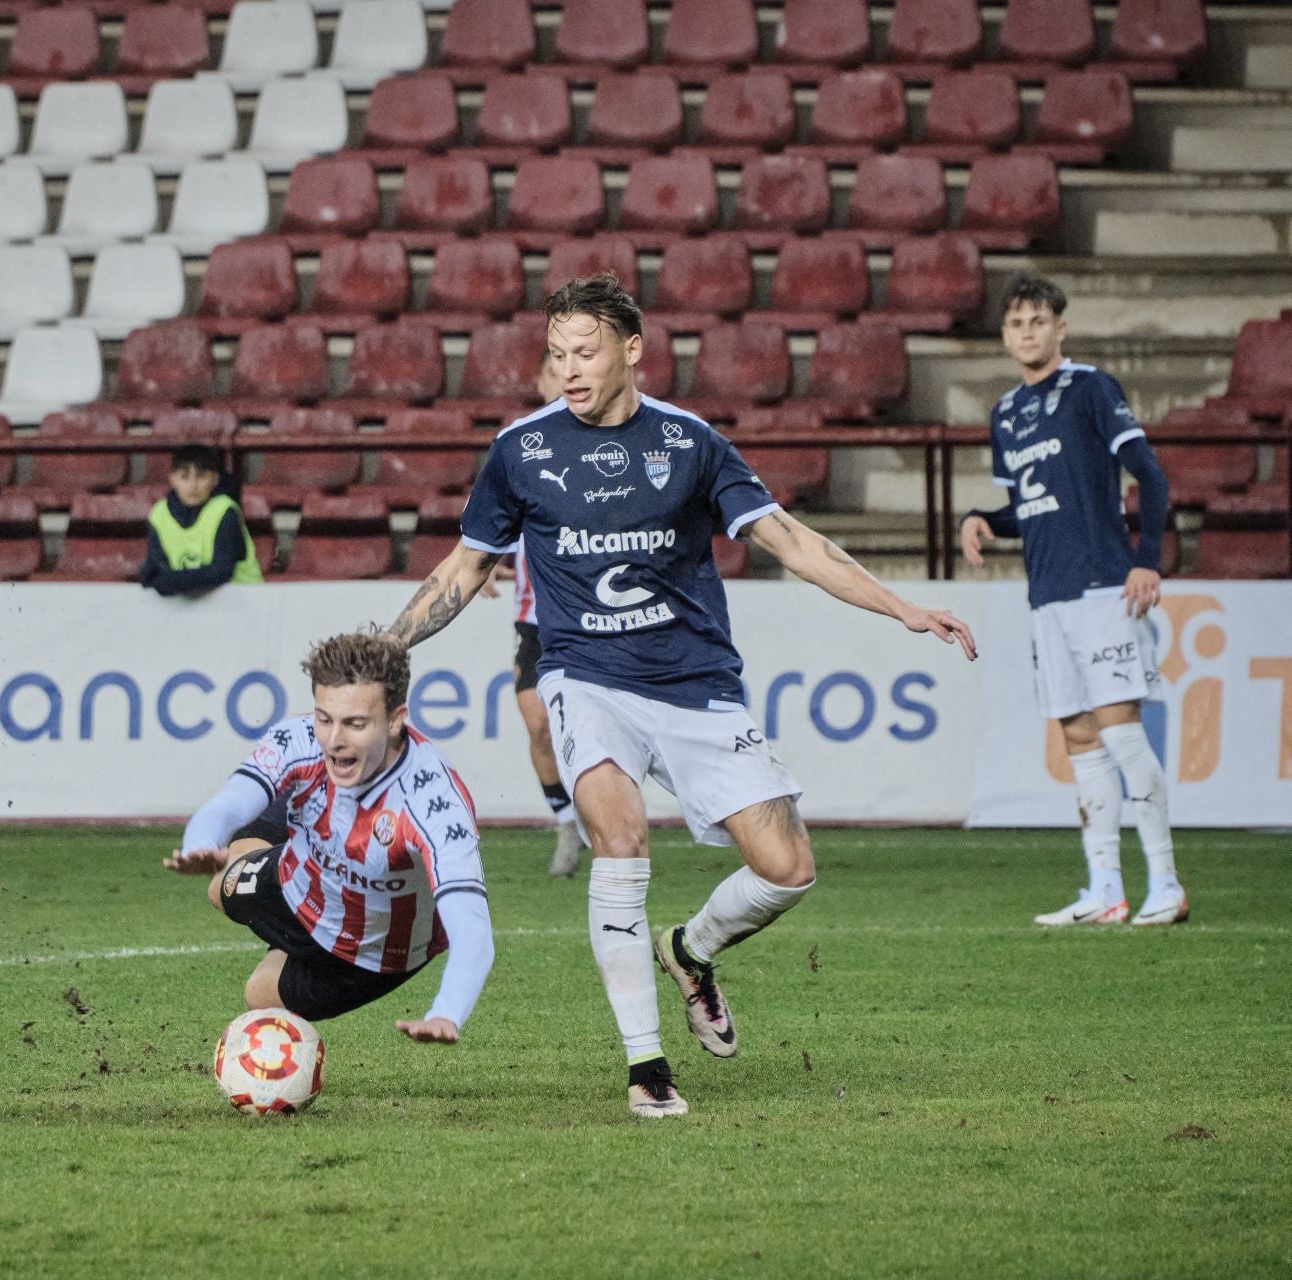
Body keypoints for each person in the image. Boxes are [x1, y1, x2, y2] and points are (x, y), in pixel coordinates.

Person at [385, 273, 977, 1118]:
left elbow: (791, 541)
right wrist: (386, 644)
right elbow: (464, 567)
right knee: (617, 835)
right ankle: (646, 1064)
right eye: (555, 355)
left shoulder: (692, 443)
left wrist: (903, 607)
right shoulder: (522, 449)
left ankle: (691, 951)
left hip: (698, 684)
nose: (569, 369)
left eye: (584, 352)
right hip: (584, 676)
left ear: (633, 349)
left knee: (788, 869)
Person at [960, 274, 1185, 927]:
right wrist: (983, 518)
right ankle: (1105, 890)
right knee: (1080, 740)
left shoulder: (1090, 388)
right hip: (1048, 596)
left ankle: (1166, 883)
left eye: (1038, 321)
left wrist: (1146, 561)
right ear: (1004, 336)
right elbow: (1030, 505)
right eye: (1016, 324)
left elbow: (1151, 473)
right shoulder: (1005, 414)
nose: (1027, 332)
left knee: (1120, 733)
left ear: (1061, 327)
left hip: (1100, 587)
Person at [164, 631, 493, 1044]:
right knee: (219, 888)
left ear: (396, 719)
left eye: (355, 724)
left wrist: (448, 1010)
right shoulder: (300, 739)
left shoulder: (434, 802)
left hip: (375, 952)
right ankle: (257, 878)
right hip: (301, 883)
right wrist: (201, 840)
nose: (334, 741)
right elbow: (232, 801)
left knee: (258, 996)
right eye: (325, 718)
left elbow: (472, 930)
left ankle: (285, 941)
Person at [511, 351, 588, 878]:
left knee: (594, 726)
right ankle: (567, 822)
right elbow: (497, 516)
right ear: (539, 381)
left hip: (589, 612)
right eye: (552, 370)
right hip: (535, 615)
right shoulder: (517, 448)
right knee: (538, 724)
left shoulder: (603, 446)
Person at [141, 443, 261, 597]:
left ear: (215, 479)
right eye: (184, 477)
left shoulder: (224, 510)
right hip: (192, 607)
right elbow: (154, 566)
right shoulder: (159, 513)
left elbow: (222, 570)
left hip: (244, 601)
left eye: (202, 476)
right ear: (172, 479)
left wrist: (172, 581)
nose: (193, 485)